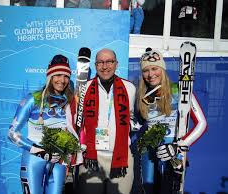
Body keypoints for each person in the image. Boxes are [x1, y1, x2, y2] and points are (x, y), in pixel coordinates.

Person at [137, 48, 207, 194]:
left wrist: (178, 146)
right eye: (146, 70)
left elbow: (202, 124)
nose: (150, 74)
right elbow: (140, 124)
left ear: (162, 68)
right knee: (147, 189)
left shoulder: (180, 90)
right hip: (148, 154)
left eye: (155, 68)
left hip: (172, 152)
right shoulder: (141, 94)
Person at [8, 54, 80, 194]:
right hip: (34, 160)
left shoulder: (68, 102)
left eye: (66, 76)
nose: (62, 80)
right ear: (50, 76)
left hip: (58, 162)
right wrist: (40, 152)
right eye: (58, 75)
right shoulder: (33, 99)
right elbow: (12, 133)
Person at [76, 48, 136, 194]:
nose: (105, 66)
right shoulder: (85, 87)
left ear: (116, 64)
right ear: (95, 65)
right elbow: (77, 121)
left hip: (121, 158)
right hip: (92, 157)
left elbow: (132, 117)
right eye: (100, 62)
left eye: (109, 61)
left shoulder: (129, 88)